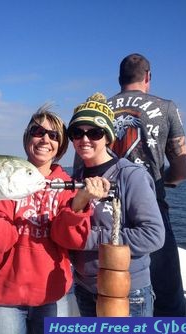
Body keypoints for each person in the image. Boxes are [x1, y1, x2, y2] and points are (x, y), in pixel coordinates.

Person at [0, 105, 107, 334]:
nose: (45, 139)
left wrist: (79, 203)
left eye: (53, 135)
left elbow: (69, 240)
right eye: (37, 131)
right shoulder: (4, 180)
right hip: (3, 298)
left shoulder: (66, 187)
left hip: (51, 295)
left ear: (60, 146)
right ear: (27, 138)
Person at [107, 53, 186, 316]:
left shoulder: (99, 109)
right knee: (167, 296)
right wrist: (164, 181)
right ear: (148, 77)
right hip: (150, 211)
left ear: (119, 79)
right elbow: (181, 170)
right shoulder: (166, 108)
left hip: (105, 214)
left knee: (109, 295)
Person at [69, 92, 165, 317]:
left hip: (127, 292)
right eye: (77, 132)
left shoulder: (131, 176)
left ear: (108, 136)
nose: (84, 139)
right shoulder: (76, 178)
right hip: (85, 289)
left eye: (94, 132)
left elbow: (153, 235)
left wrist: (85, 239)